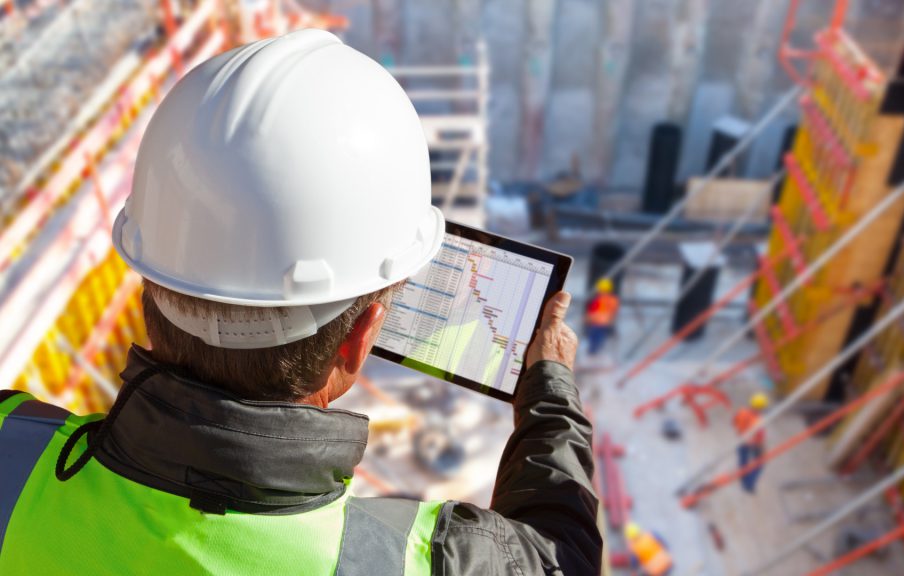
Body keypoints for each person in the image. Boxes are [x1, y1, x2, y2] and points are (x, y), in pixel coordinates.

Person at [0, 30, 600, 575]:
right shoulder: (417, 562)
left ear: (149, 280)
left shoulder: (11, 450)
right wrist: (549, 392)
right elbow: (560, 556)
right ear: (361, 334)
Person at [733, 392, 769, 494]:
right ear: (760, 407)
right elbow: (760, 436)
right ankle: (749, 485)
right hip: (753, 443)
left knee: (743, 462)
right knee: (759, 464)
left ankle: (743, 480)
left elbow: (734, 421)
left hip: (741, 440)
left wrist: (741, 431)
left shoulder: (742, 411)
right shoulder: (757, 420)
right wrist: (762, 447)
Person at [585, 277, 619, 356]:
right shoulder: (612, 300)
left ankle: (593, 354)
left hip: (598, 323)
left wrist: (588, 318)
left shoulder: (600, 299)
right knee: (597, 339)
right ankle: (594, 354)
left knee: (596, 340)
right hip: (602, 322)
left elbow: (593, 310)